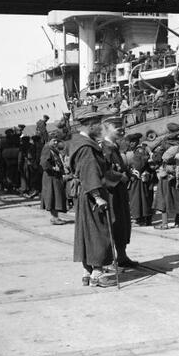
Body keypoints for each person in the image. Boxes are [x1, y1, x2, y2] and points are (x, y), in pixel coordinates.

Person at [70, 120, 136, 288]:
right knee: (98, 234)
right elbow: (90, 172)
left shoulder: (79, 142)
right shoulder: (87, 148)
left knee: (87, 233)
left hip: (86, 194)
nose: (101, 127)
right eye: (98, 124)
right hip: (93, 195)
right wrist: (97, 196)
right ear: (90, 125)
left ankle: (88, 273)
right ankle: (97, 275)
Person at [151, 123, 179, 229]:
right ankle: (177, 223)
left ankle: (164, 224)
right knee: (178, 197)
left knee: (163, 198)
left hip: (166, 174)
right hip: (178, 172)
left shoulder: (164, 143)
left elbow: (156, 158)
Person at [125, 133, 153, 226]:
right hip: (139, 177)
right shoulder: (140, 149)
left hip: (138, 178)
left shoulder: (139, 151)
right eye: (130, 142)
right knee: (141, 199)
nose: (131, 144)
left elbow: (138, 165)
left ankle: (139, 220)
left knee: (137, 199)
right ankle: (142, 219)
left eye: (133, 142)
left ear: (137, 141)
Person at [40, 131, 68, 225]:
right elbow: (44, 163)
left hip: (54, 176)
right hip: (50, 177)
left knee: (56, 196)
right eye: (54, 140)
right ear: (49, 140)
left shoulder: (51, 148)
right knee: (53, 196)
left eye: (57, 141)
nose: (56, 143)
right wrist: (53, 168)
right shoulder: (47, 149)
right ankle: (54, 218)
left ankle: (55, 217)